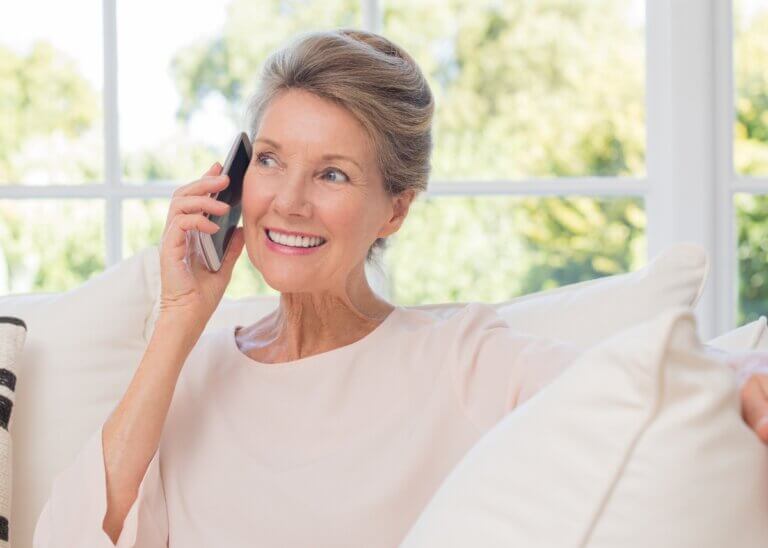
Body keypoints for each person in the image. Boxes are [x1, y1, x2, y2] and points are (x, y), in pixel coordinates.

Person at [33, 28, 768, 548]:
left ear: (395, 207)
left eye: (331, 174)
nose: (286, 202)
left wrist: (739, 375)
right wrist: (178, 319)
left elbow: (641, 387)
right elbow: (67, 539)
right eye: (269, 160)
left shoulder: (461, 357)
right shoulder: (190, 369)